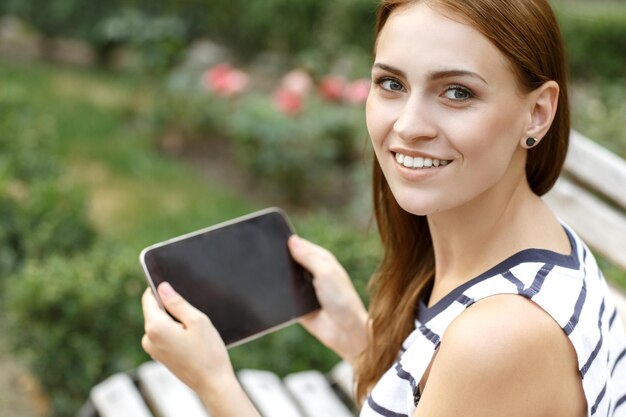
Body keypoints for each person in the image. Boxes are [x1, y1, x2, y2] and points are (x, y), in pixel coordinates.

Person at [141, 0, 626, 416]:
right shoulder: (523, 245)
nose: (409, 125)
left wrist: (214, 386)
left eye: (457, 92)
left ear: (537, 112)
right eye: (391, 84)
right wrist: (360, 337)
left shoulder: (501, 337)